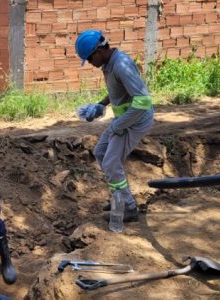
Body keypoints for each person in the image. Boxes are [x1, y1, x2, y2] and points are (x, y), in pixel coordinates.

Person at [74, 30, 155, 222]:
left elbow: (143, 102)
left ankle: (128, 206)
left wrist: (119, 124)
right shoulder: (109, 65)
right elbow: (117, 90)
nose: (91, 64)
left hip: (136, 122)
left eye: (90, 59)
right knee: (101, 152)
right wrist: (101, 104)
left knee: (111, 162)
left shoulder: (121, 65)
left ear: (99, 51)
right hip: (125, 121)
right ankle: (119, 198)